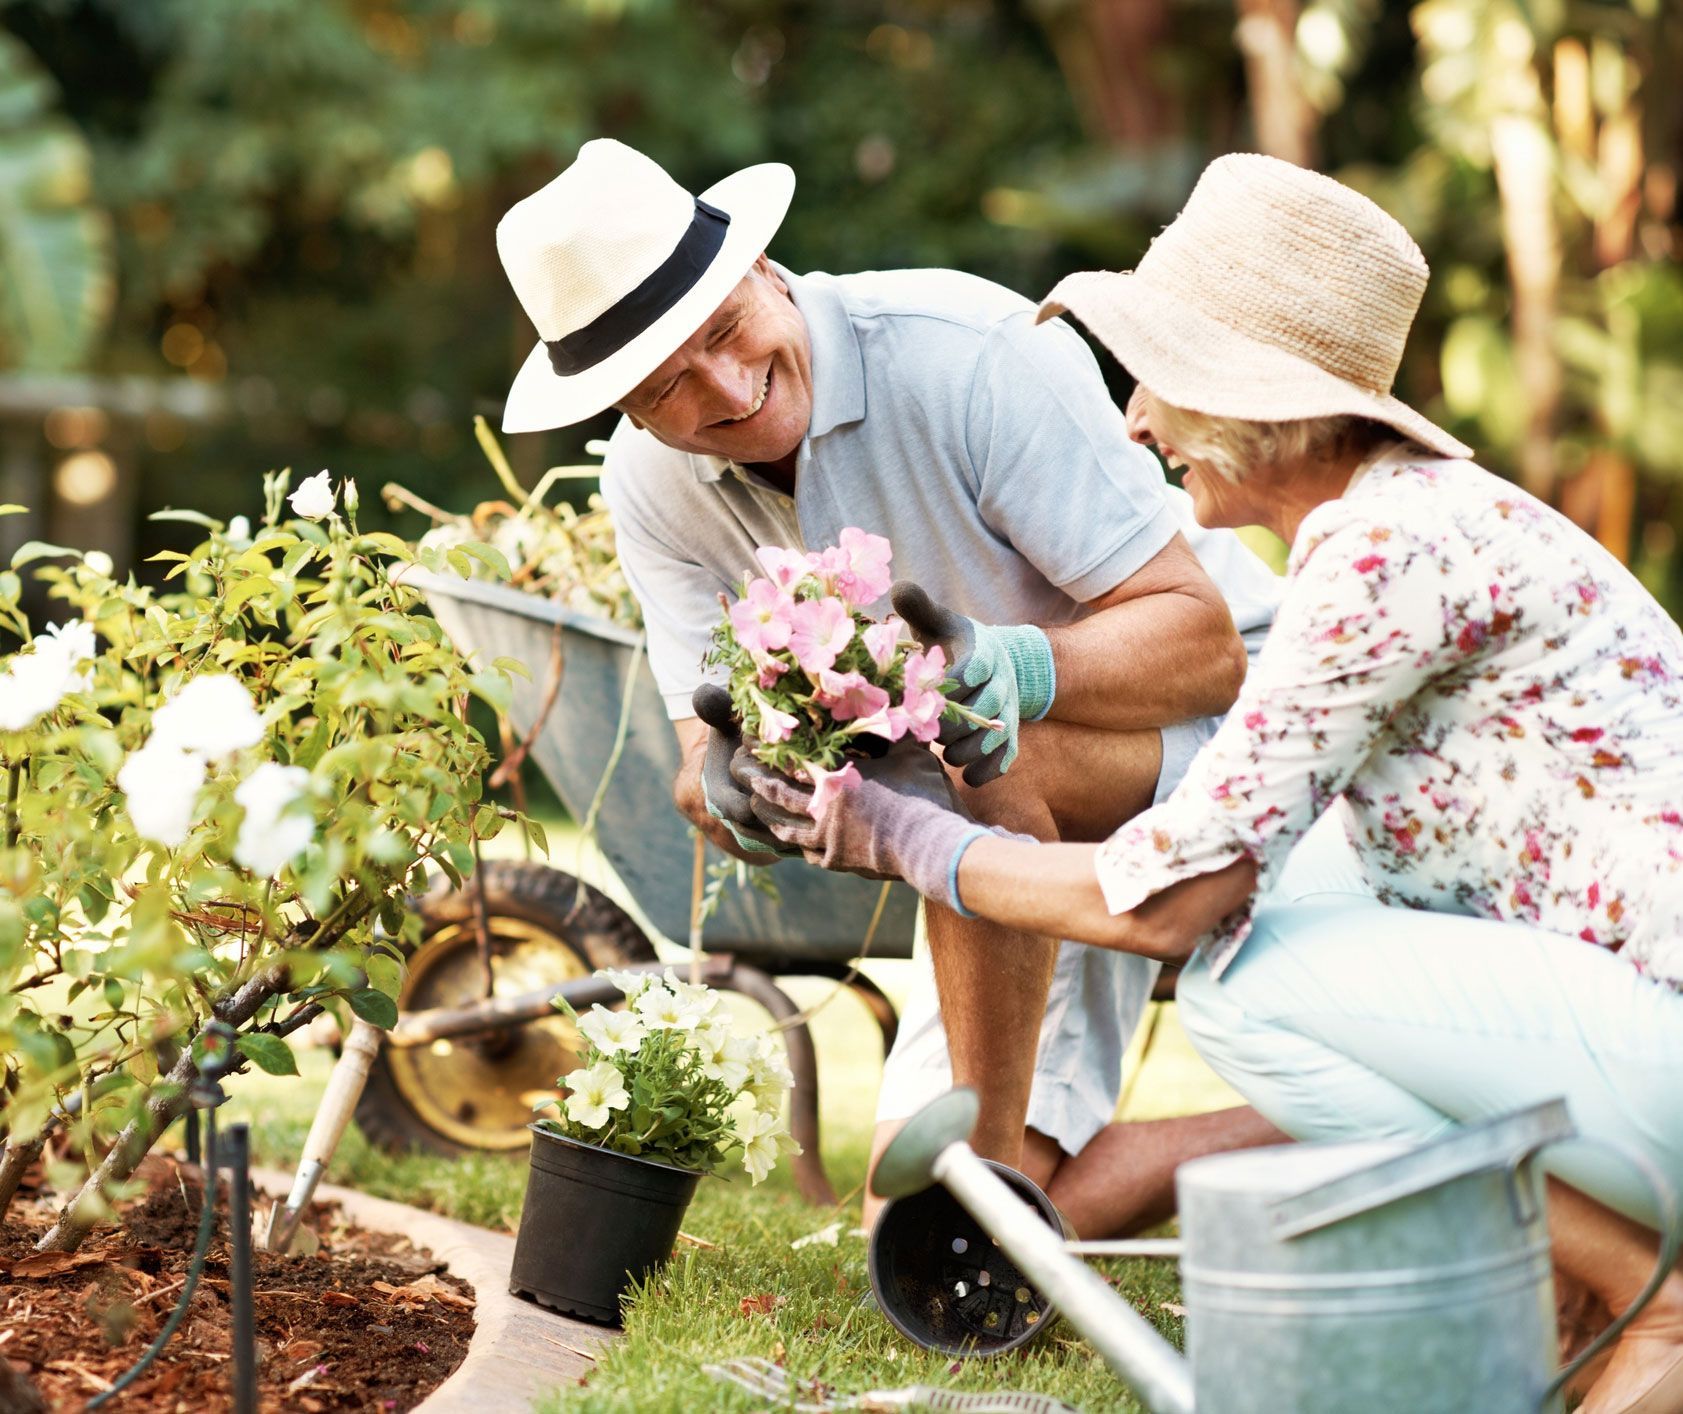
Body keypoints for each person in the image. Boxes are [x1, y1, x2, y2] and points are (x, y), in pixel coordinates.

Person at [740, 153, 1683, 1414]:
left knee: (1241, 977)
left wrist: (901, 835)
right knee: (1314, 889)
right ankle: (1582, 1285)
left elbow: (1174, 901)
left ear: (1260, 402)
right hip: (1630, 1020)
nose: (1134, 422)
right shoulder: (1398, 527)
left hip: (1657, 1035)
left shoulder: (1385, 557)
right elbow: (1233, 836)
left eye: (1159, 380)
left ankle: (1648, 1293)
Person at [493, 138, 1289, 1233]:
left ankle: (986, 1191)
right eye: (667, 386)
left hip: (1234, 743)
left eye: (725, 330)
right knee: (892, 1223)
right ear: (626, 412)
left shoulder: (970, 356)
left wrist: (1011, 665)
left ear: (765, 270)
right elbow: (696, 756)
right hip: (999, 828)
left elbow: (1208, 646)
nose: (724, 389)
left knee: (979, 742)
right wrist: (726, 785)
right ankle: (1328, 1136)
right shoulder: (652, 486)